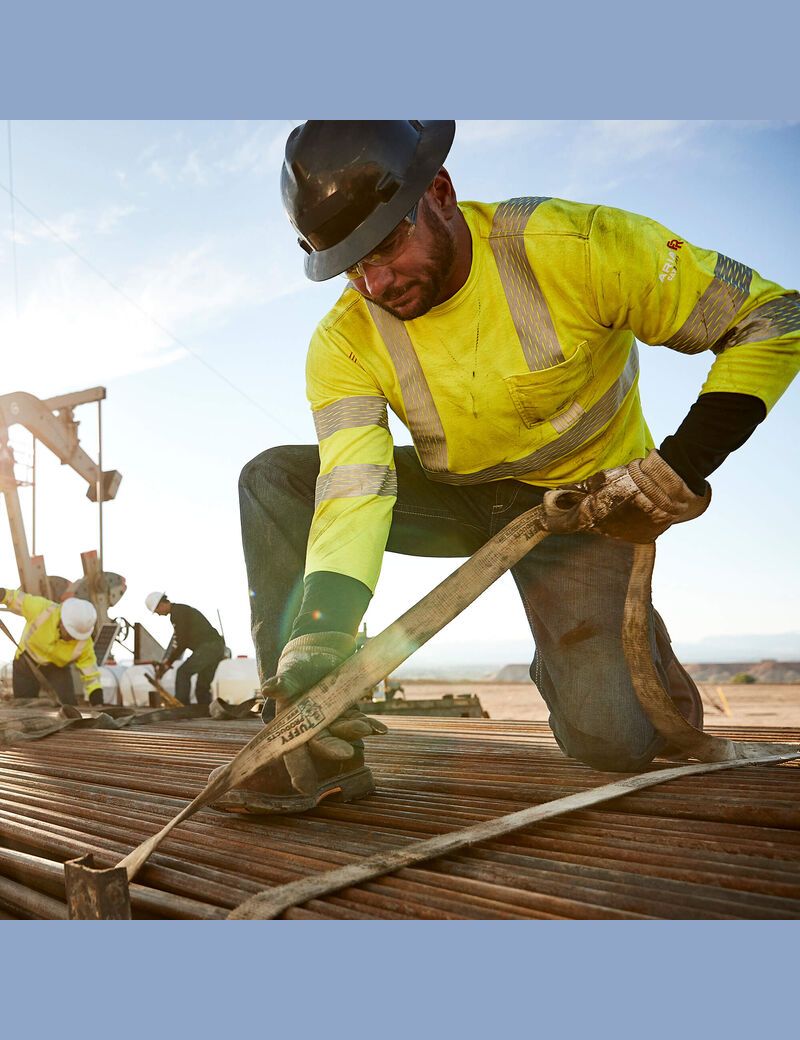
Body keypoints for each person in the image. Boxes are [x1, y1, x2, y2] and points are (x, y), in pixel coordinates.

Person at [219, 119, 800, 815]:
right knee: (273, 478)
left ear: (440, 191)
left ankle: (618, 642)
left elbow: (775, 317)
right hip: (459, 496)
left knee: (612, 740)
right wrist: (319, 636)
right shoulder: (342, 341)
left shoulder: (575, 246)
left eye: (387, 245)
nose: (374, 282)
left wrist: (681, 463)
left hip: (585, 510)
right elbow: (354, 488)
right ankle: (307, 746)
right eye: (350, 265)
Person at [1, 586, 102, 705]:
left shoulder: (85, 643)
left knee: (69, 708)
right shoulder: (42, 609)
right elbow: (15, 598)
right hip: (26, 663)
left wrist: (97, 701)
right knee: (23, 706)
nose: (73, 638)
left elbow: (91, 675)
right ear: (62, 620)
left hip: (57, 669)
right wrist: (2, 594)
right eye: (71, 633)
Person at [144, 592, 226, 709]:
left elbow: (181, 643)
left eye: (156, 611)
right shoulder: (181, 610)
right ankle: (205, 709)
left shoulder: (177, 613)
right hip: (217, 647)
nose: (157, 614)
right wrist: (167, 663)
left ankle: (181, 708)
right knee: (202, 685)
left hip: (209, 647)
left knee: (183, 673)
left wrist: (167, 664)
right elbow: (181, 642)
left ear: (160, 605)